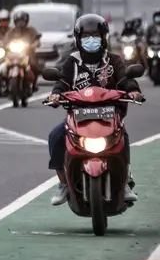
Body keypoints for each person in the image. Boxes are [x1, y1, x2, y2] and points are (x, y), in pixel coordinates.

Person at [45, 14, 141, 206]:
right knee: (55, 137)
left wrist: (134, 91)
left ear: (104, 38)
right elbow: (61, 83)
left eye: (95, 36)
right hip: (78, 118)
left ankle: (125, 181)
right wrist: (56, 95)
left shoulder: (114, 61)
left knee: (123, 136)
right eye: (86, 37)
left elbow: (126, 79)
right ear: (78, 39)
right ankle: (64, 183)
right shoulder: (72, 63)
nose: (91, 41)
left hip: (110, 116)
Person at [1, 10, 41, 92]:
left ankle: (34, 84)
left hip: (27, 53)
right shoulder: (11, 31)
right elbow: (5, 41)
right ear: (15, 21)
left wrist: (33, 45)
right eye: (19, 21)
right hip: (13, 54)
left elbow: (37, 41)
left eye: (22, 21)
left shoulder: (31, 30)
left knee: (34, 66)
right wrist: (4, 46)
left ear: (26, 21)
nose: (20, 23)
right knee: (4, 66)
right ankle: (5, 84)